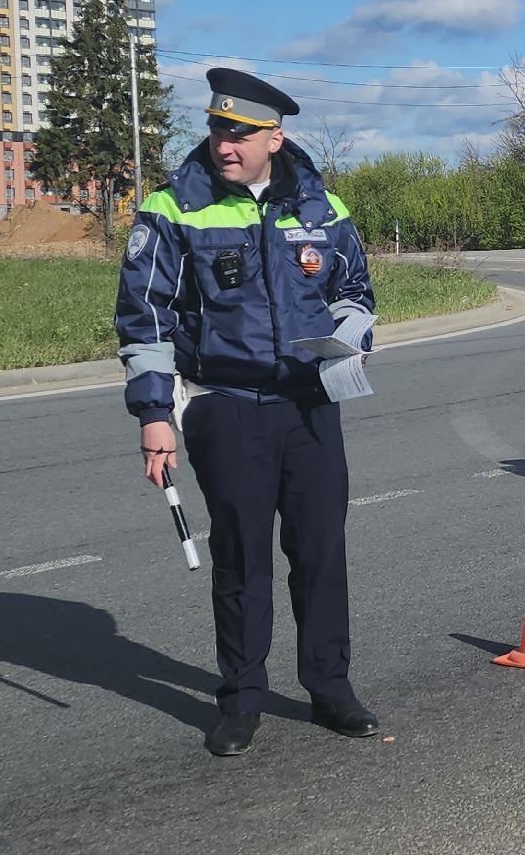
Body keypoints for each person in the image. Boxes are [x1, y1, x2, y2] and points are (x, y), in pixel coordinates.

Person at [116, 68, 380, 756]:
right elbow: (145, 317)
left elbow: (356, 289)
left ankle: (330, 687)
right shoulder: (175, 208)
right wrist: (153, 415)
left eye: (239, 133)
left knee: (321, 550)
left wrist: (352, 338)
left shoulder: (323, 207)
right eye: (216, 129)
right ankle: (241, 698)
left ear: (275, 137)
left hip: (312, 402)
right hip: (227, 406)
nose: (224, 143)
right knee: (241, 558)